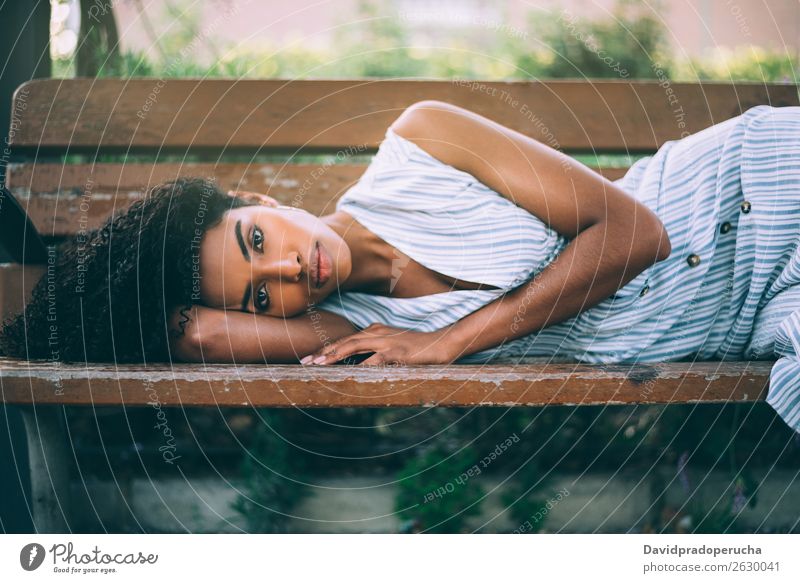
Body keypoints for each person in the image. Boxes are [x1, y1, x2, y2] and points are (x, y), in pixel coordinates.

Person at [2, 101, 799, 434]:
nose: (288, 267)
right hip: (763, 311)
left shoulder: (423, 145)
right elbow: (195, 335)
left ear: (256, 196)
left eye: (255, 238)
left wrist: (449, 341)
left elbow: (635, 231)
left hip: (753, 192)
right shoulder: (344, 328)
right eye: (260, 292)